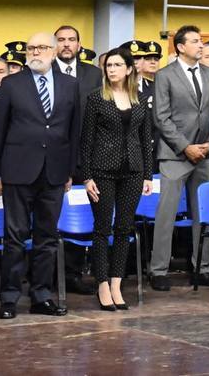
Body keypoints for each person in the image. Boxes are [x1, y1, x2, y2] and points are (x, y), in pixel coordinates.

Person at [0, 31, 80, 319]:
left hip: (55, 171)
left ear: (54, 52)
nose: (35, 52)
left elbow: (74, 131)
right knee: (15, 237)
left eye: (42, 47)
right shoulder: (11, 83)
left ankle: (41, 295)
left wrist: (70, 170)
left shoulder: (70, 84)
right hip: (17, 170)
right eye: (31, 48)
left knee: (47, 237)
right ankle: (9, 297)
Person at [79, 48, 153, 311]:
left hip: (133, 170)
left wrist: (147, 175)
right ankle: (101, 284)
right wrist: (87, 176)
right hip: (102, 170)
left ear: (129, 69)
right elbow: (86, 140)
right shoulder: (96, 98)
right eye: (108, 65)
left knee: (124, 228)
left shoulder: (140, 99)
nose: (111, 69)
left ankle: (116, 284)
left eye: (117, 65)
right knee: (102, 228)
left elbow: (145, 139)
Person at [149, 25, 209, 291]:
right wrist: (185, 146)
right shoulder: (165, 75)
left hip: (206, 154)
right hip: (175, 155)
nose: (201, 45)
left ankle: (201, 268)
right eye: (195, 41)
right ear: (180, 47)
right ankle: (158, 270)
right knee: (166, 215)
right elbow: (161, 117)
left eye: (201, 41)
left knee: (205, 214)